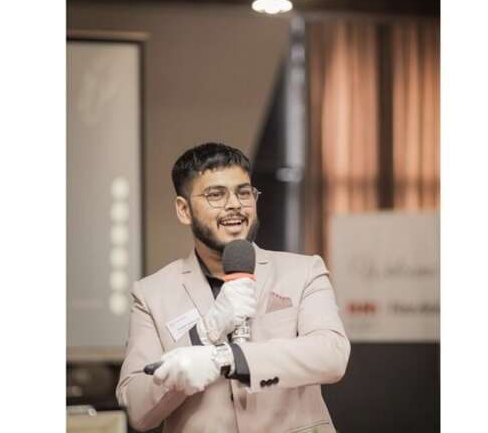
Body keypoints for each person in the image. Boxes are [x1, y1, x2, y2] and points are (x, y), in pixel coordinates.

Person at [116, 142, 350, 433]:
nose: (235, 204)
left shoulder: (303, 271)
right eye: (216, 194)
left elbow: (331, 355)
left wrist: (226, 359)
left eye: (244, 192)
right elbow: (137, 410)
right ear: (184, 210)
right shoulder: (151, 293)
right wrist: (205, 334)